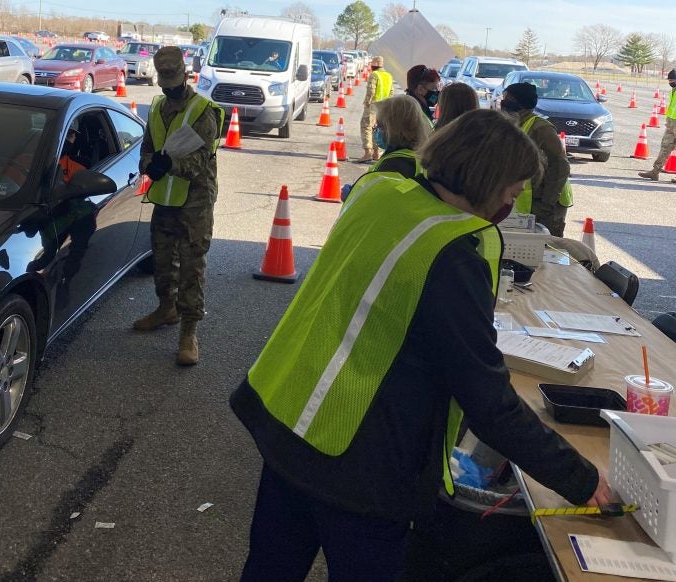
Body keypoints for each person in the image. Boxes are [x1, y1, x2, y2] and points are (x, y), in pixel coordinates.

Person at [230, 109, 609, 581]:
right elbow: (486, 398)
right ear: (488, 182)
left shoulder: (379, 190)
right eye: (510, 193)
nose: (509, 206)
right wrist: (581, 478)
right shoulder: (451, 250)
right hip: (356, 455)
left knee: (270, 566)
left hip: (288, 418)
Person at [133, 46, 224, 366]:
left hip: (195, 202)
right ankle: (165, 309)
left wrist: (168, 165)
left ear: (185, 74)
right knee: (161, 261)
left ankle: (189, 332)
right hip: (165, 199)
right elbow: (146, 147)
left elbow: (200, 160)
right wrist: (149, 164)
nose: (168, 84)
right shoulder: (157, 107)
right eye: (164, 79)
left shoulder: (203, 110)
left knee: (191, 266)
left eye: (173, 77)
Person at [501, 82, 571, 237]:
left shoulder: (541, 128)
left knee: (547, 245)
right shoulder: (515, 123)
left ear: (520, 102)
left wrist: (547, 204)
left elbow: (560, 165)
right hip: (529, 201)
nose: (503, 101)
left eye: (508, 98)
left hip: (547, 201)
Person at [367, 95, 429, 178]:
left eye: (380, 126)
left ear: (393, 128)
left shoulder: (393, 165)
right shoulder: (418, 155)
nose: (376, 130)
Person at [639, 68, 676, 184]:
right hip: (671, 123)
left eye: (672, 80)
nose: (670, 82)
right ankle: (655, 172)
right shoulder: (673, 90)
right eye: (669, 80)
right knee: (665, 147)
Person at [355, 55, 393, 163]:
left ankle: (368, 152)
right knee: (377, 129)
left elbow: (371, 90)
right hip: (384, 107)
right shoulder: (389, 76)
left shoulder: (374, 75)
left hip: (373, 106)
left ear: (374, 65)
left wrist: (367, 102)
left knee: (366, 127)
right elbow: (391, 92)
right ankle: (376, 153)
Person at [405, 64, 440, 129]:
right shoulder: (415, 115)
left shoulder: (409, 106)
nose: (437, 92)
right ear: (420, 89)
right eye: (434, 88)